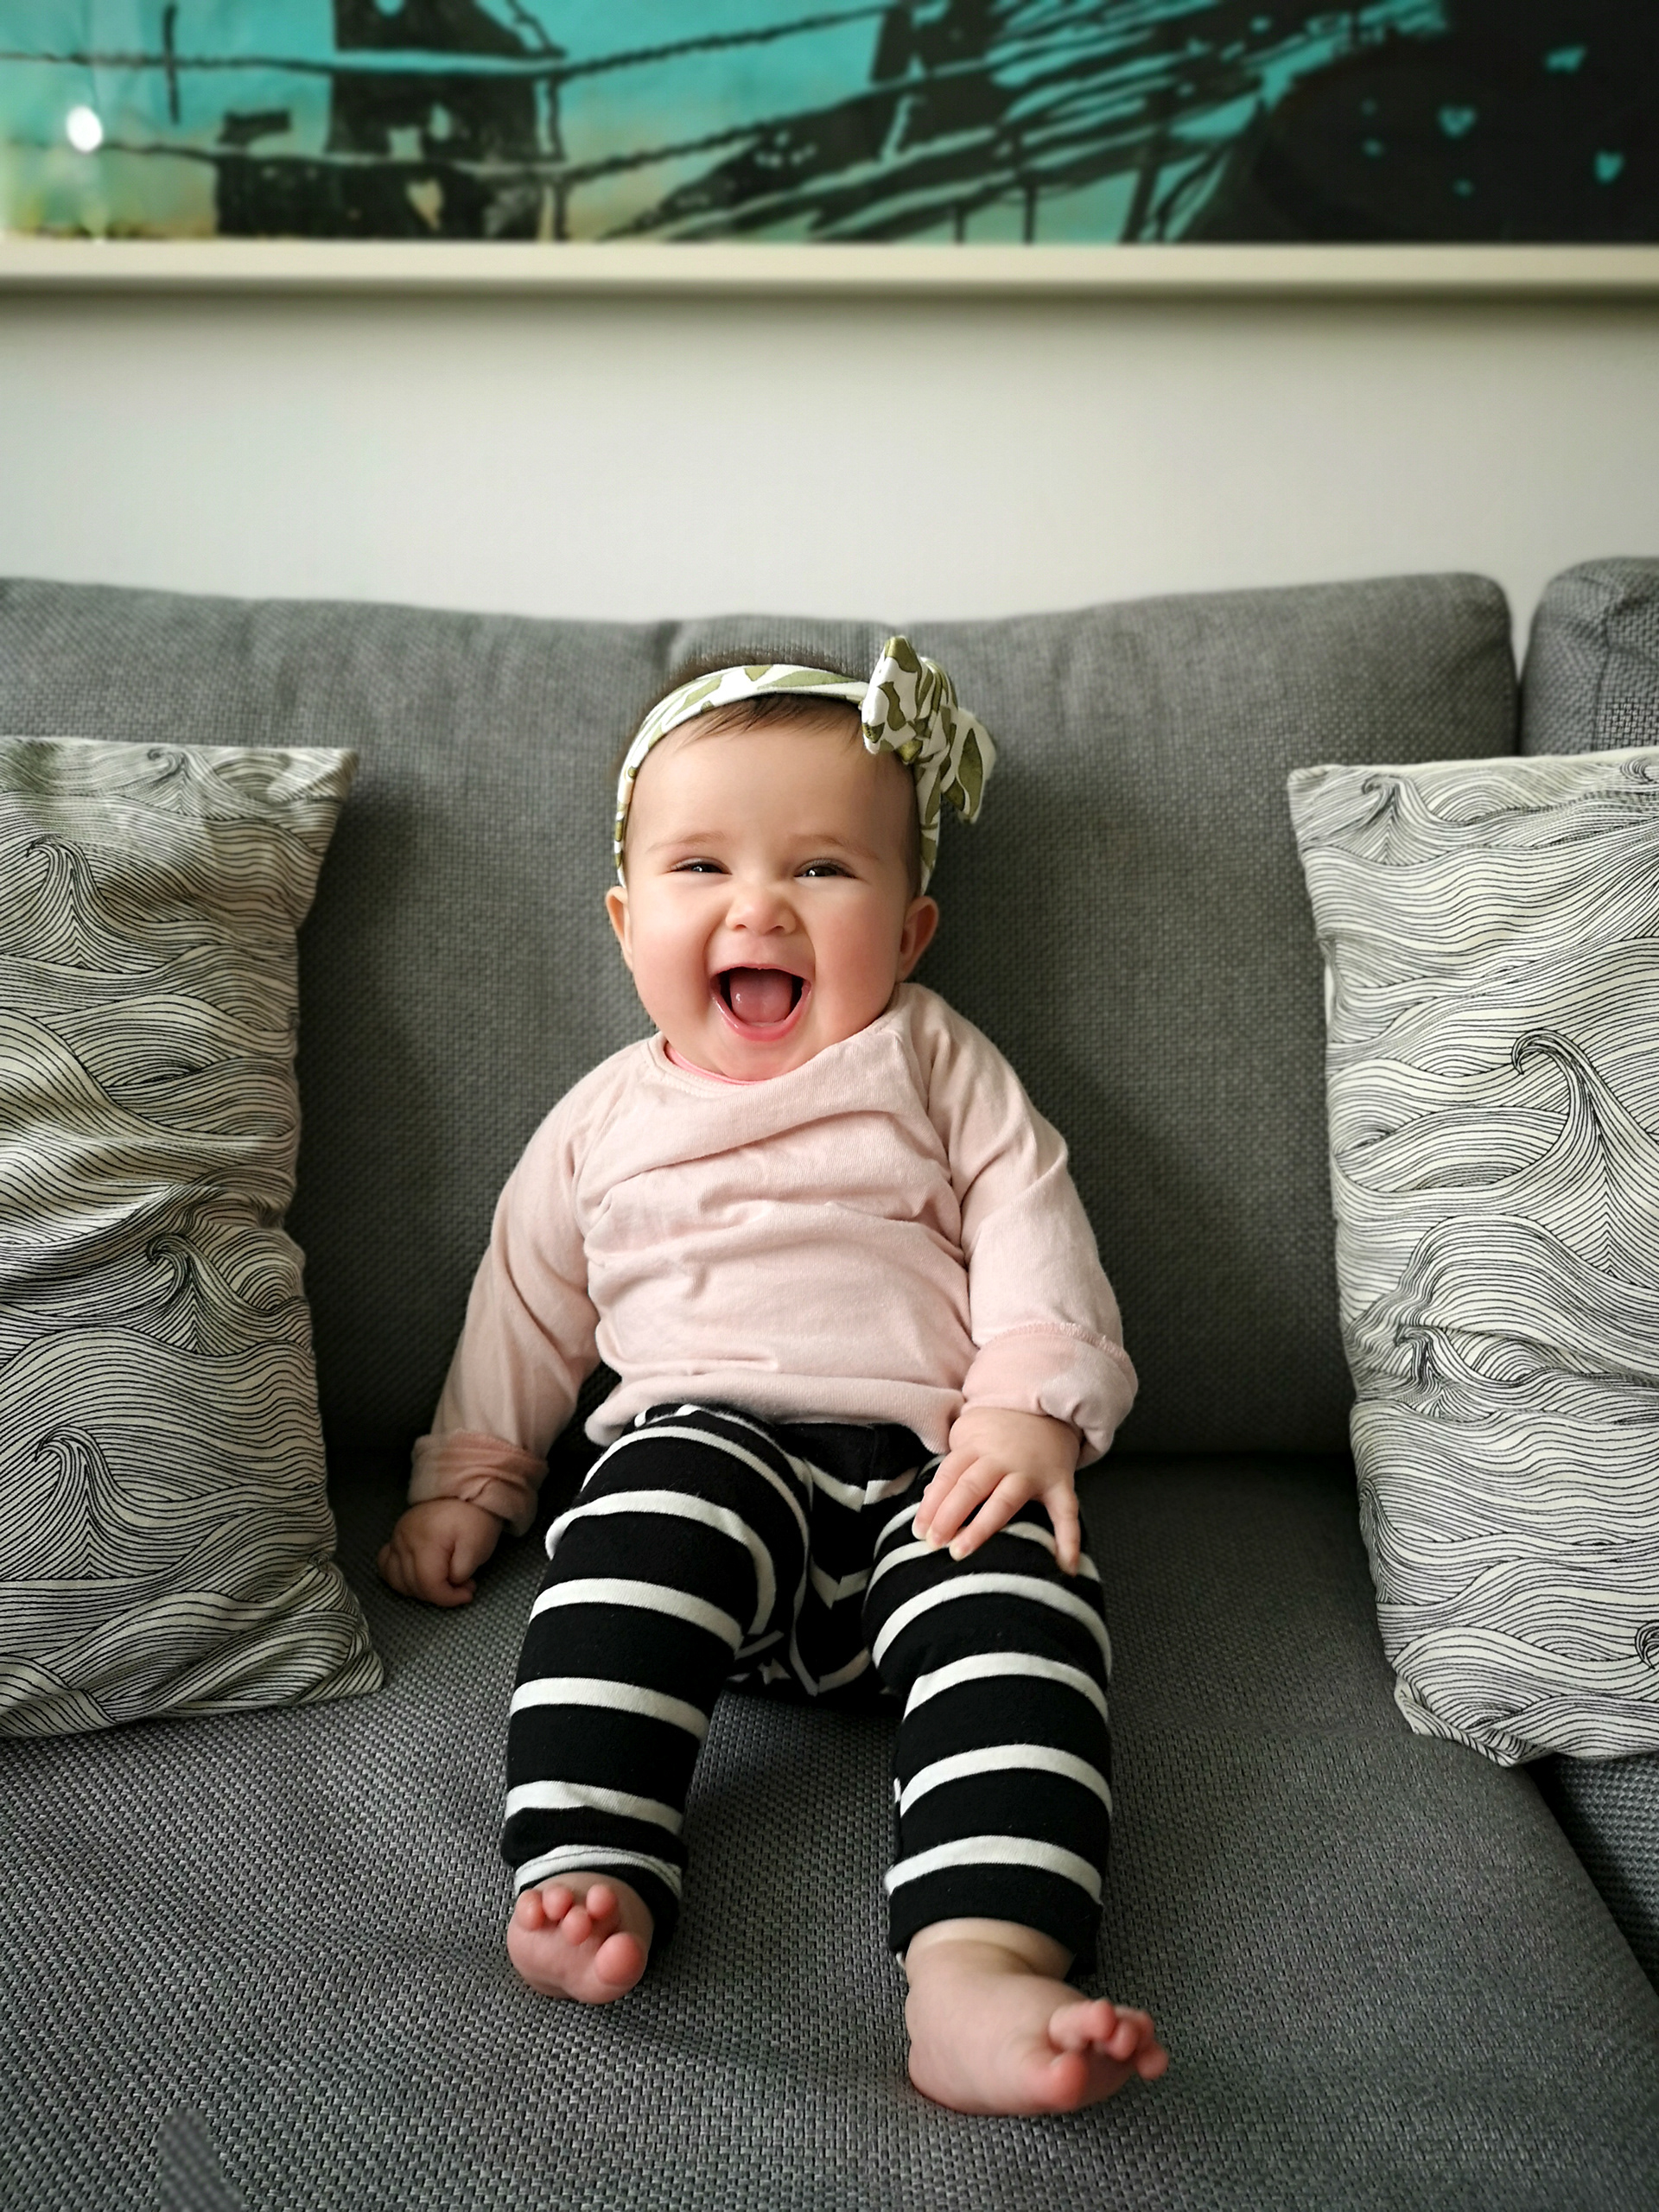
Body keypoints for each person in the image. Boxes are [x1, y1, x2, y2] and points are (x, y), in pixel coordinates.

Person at [378, 640, 1168, 2113]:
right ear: (628, 924)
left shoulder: (933, 1061)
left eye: (820, 868)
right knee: (637, 1525)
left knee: (1030, 1608)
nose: (759, 907)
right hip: (709, 1467)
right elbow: (527, 1305)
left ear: (912, 930)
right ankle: (590, 1868)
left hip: (933, 1475)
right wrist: (474, 1479)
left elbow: (1030, 1218)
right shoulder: (601, 1119)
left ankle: (981, 1966)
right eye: (701, 867)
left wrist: (1028, 1403)